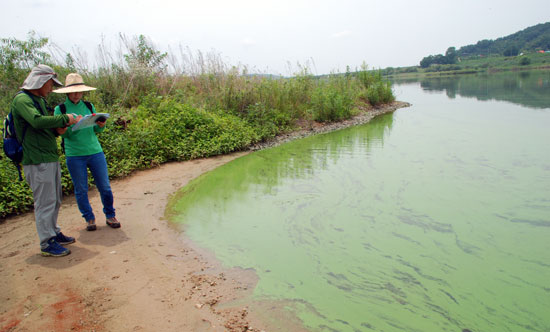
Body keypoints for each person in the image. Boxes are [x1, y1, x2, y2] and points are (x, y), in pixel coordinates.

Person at [11, 64, 81, 257]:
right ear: (41, 81)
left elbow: (42, 126)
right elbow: (36, 121)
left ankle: (54, 232)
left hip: (49, 156)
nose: (51, 88)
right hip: (36, 159)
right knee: (44, 202)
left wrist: (58, 129)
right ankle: (46, 242)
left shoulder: (38, 100)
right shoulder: (22, 100)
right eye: (50, 84)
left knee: (55, 199)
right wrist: (63, 118)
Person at [53, 73, 121, 232]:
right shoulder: (60, 109)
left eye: (79, 91)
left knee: (105, 186)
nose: (77, 95)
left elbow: (97, 130)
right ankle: (89, 218)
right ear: (67, 92)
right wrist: (72, 126)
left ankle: (110, 215)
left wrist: (101, 124)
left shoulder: (89, 106)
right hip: (74, 155)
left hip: (95, 151)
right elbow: (62, 133)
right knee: (81, 189)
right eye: (74, 91)